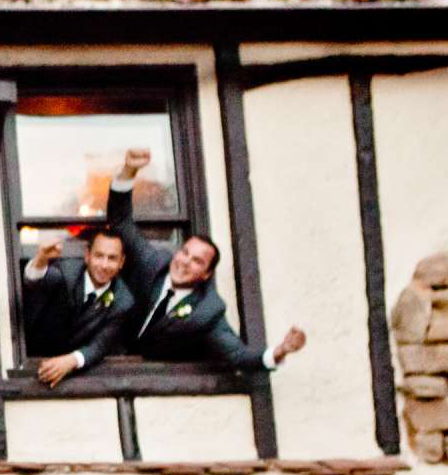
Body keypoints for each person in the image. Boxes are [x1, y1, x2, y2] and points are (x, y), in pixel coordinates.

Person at [106, 148, 306, 373]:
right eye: (185, 253)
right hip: (102, 355)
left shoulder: (208, 310)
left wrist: (279, 352)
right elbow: (121, 222)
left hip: (149, 375)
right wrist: (129, 171)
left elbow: (237, 355)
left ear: (206, 274)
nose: (184, 262)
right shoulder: (151, 263)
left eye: (197, 261)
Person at [22, 226, 136, 386]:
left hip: (75, 375)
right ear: (87, 256)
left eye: (112, 258)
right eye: (99, 256)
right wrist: (41, 259)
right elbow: (35, 281)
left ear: (121, 262)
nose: (104, 265)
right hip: (32, 360)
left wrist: (71, 361)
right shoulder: (67, 271)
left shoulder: (124, 301)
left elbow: (101, 344)